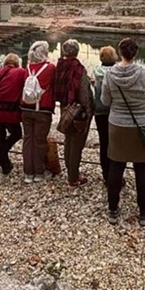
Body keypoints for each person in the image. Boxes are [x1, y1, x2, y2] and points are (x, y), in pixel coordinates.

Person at [101, 38, 145, 227]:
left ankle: (113, 210)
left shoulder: (110, 74)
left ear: (120, 52)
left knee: (116, 167)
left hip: (118, 125)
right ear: (135, 53)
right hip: (142, 125)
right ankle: (143, 212)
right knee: (142, 170)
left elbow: (106, 101)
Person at [55, 39, 94, 187]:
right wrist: (88, 111)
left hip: (65, 107)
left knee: (68, 140)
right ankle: (73, 177)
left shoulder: (59, 65)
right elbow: (84, 94)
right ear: (76, 51)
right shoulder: (79, 68)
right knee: (77, 143)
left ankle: (70, 171)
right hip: (78, 110)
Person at [21, 40, 56, 183]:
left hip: (25, 107)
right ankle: (39, 172)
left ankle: (28, 172)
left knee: (28, 139)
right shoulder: (50, 68)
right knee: (40, 141)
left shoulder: (28, 67)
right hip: (42, 109)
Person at [0, 53, 27, 175]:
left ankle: (5, 165)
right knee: (16, 133)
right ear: (17, 63)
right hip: (10, 110)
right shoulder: (20, 72)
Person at [92, 46, 117, 184]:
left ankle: (105, 173)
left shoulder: (96, 71)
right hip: (114, 110)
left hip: (99, 110)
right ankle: (115, 173)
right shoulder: (116, 72)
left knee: (103, 142)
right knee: (115, 143)